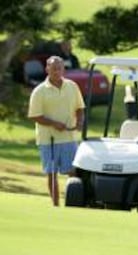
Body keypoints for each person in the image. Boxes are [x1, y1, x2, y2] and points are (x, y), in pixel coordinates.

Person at [28, 56, 85, 206]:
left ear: (63, 69)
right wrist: (53, 124)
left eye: (59, 68)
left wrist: (79, 121)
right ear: (47, 69)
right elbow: (35, 116)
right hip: (48, 139)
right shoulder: (39, 91)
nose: (56, 71)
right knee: (51, 174)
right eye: (53, 68)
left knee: (73, 172)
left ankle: (73, 202)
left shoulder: (72, 86)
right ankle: (55, 205)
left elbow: (80, 107)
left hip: (69, 138)